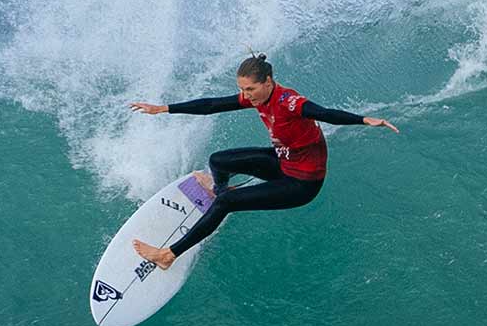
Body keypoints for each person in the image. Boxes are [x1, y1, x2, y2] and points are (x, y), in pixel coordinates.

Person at [127, 53, 398, 269]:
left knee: (227, 203)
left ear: (268, 82)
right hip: (283, 162)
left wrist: (364, 120)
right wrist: (164, 108)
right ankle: (218, 191)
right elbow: (211, 105)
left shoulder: (289, 102)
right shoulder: (256, 98)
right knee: (219, 161)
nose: (246, 95)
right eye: (242, 89)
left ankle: (168, 255)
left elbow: (325, 113)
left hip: (302, 183)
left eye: (251, 88)